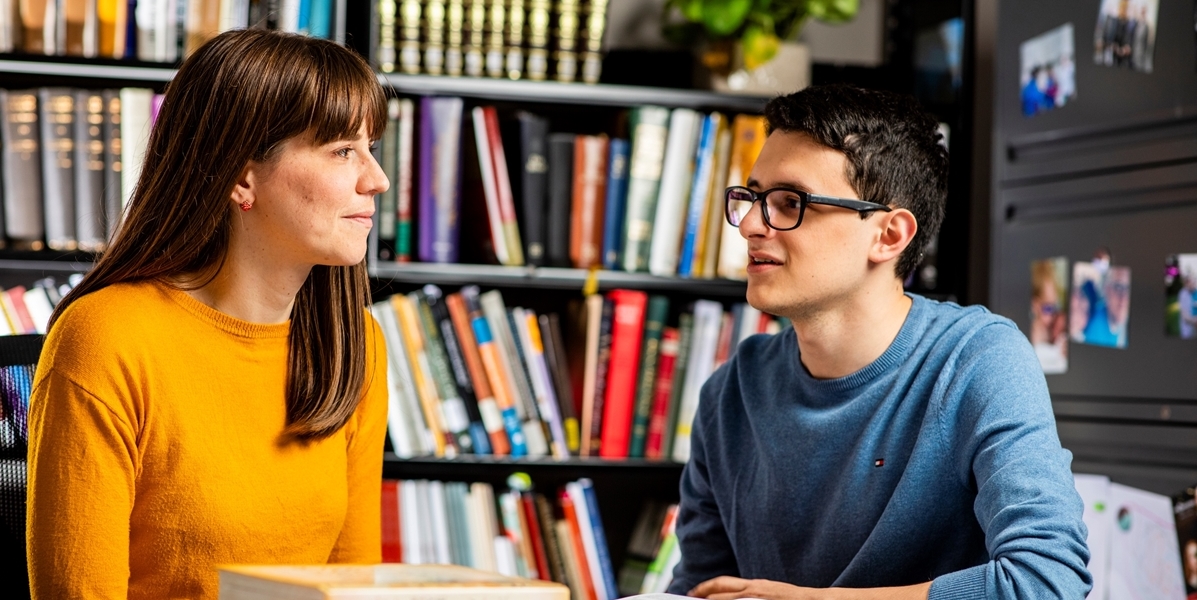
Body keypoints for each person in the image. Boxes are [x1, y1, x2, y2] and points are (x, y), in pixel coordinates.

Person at [667, 84, 1090, 599]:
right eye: (752, 197)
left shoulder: (979, 361)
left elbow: (1046, 581)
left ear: (889, 235)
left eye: (789, 202)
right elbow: (700, 590)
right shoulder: (730, 393)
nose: (752, 224)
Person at [27, 29, 391, 599]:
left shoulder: (356, 344)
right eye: (343, 151)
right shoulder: (107, 338)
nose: (377, 179)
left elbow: (352, 584)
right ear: (243, 176)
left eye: (373, 149)